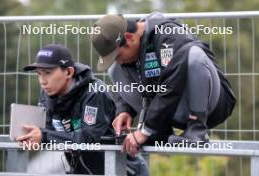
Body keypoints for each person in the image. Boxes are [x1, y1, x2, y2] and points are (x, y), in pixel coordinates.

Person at [91, 12, 236, 156]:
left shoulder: (169, 34)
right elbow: (134, 75)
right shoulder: (133, 44)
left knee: (193, 54)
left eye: (118, 56)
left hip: (213, 105)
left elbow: (172, 84)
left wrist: (145, 130)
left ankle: (197, 130)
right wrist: (125, 109)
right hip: (173, 110)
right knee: (114, 69)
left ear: (129, 38)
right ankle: (159, 131)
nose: (119, 61)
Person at [16, 44, 116, 174]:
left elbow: (88, 138)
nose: (42, 81)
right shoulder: (47, 93)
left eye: (47, 73)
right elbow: (50, 131)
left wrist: (43, 136)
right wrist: (31, 136)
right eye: (39, 74)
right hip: (81, 170)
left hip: (119, 169)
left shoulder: (95, 91)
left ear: (69, 72)